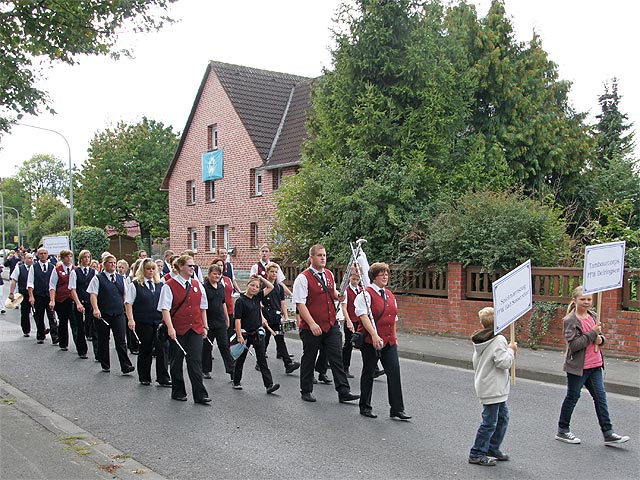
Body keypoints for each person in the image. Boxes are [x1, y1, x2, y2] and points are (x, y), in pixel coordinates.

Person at [555, 286, 630, 446]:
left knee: (601, 398)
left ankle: (608, 432)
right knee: (572, 397)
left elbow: (600, 336)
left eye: (589, 299)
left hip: (595, 365)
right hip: (578, 368)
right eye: (583, 299)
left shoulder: (593, 315)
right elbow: (574, 345)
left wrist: (601, 339)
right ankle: (563, 430)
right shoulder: (570, 320)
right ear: (575, 301)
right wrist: (593, 334)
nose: (587, 302)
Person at [293, 244, 359, 404]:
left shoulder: (329, 274)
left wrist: (339, 297)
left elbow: (333, 292)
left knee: (336, 357)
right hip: (311, 327)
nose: (323, 258)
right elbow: (300, 304)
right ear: (311, 258)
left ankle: (344, 391)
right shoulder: (302, 278)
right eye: (319, 255)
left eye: (324, 255)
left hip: (331, 324)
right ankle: (306, 390)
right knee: (309, 357)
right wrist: (312, 323)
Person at [354, 262, 410, 420]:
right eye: (381, 274)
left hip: (389, 341)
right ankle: (365, 406)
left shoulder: (390, 295)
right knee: (369, 372)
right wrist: (374, 335)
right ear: (374, 277)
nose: (385, 276)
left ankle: (397, 409)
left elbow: (393, 319)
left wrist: (394, 338)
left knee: (394, 373)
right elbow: (363, 316)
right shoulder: (365, 295)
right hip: (371, 341)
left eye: (386, 273)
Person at [158, 254, 211, 404]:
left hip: (195, 328)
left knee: (195, 361)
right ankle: (178, 391)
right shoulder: (169, 285)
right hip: (177, 328)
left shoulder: (197, 284)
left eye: (193, 266)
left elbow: (203, 308)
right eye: (189, 265)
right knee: (176, 361)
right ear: (181, 267)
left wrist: (204, 326)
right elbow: (165, 309)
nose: (192, 268)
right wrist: (170, 328)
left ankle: (200, 394)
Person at [468, 307, 516, 466]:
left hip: (490, 386)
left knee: (502, 417)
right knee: (490, 422)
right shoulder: (498, 340)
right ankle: (477, 452)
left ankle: (492, 447)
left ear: (482, 325)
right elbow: (504, 362)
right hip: (493, 388)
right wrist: (511, 350)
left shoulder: (481, 339)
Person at [125, 258, 171, 387]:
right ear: (142, 270)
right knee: (146, 348)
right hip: (143, 321)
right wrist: (130, 319)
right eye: (148, 269)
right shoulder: (135, 285)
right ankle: (144, 376)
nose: (150, 271)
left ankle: (163, 377)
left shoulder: (160, 285)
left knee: (162, 348)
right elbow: (128, 303)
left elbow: (165, 303)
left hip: (158, 321)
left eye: (153, 269)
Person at [231, 276, 280, 394]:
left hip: (257, 332)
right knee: (241, 358)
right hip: (245, 333)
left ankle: (269, 385)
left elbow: (271, 286)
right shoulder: (240, 301)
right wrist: (239, 336)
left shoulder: (257, 298)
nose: (254, 288)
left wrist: (261, 278)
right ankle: (236, 380)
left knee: (262, 358)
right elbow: (237, 319)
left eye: (257, 287)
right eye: (252, 285)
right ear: (247, 285)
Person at [88, 254, 135, 375]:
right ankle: (105, 363)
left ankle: (126, 365)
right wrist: (96, 309)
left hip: (118, 312)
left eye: (114, 263)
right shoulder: (98, 278)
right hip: (104, 313)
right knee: (104, 339)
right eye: (110, 263)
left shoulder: (121, 278)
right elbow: (93, 294)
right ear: (104, 264)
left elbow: (125, 295)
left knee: (121, 340)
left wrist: (127, 311)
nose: (113, 265)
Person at [259, 262, 300, 374]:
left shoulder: (279, 287)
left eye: (276, 272)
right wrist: (262, 317)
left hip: (276, 316)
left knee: (280, 339)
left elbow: (282, 303)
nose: (274, 274)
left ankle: (288, 364)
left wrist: (286, 317)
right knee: (265, 340)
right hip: (267, 316)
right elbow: (259, 303)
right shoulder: (263, 287)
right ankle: (260, 362)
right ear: (267, 273)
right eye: (271, 272)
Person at [48, 249, 86, 357]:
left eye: (70, 256)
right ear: (62, 258)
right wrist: (52, 300)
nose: (68, 259)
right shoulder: (57, 270)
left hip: (73, 299)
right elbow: (52, 286)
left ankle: (80, 347)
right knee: (63, 321)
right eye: (66, 257)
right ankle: (63, 343)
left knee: (75, 323)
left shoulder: (76, 270)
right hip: (61, 299)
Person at [201, 264, 235, 379]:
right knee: (207, 347)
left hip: (220, 321)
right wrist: (203, 324)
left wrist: (226, 318)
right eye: (214, 273)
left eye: (219, 274)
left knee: (224, 346)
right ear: (209, 274)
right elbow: (202, 307)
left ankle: (231, 370)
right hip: (209, 322)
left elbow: (223, 303)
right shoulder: (204, 287)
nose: (216, 276)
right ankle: (205, 369)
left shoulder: (221, 287)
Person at [70, 250, 98, 360]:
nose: (87, 259)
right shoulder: (75, 272)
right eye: (85, 257)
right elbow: (73, 289)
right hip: (80, 301)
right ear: (81, 259)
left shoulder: (93, 272)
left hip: (90, 302)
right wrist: (77, 303)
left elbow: (95, 289)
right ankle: (82, 350)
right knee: (80, 327)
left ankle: (98, 353)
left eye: (88, 257)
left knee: (94, 327)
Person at [27, 247, 58, 344]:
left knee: (52, 316)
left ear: (47, 254)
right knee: (39, 316)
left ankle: (55, 336)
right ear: (37, 255)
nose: (43, 255)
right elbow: (30, 283)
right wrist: (31, 296)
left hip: (49, 296)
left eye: (45, 253)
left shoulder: (53, 267)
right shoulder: (33, 267)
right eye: (41, 253)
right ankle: (40, 335)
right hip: (39, 296)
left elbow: (54, 283)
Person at [8, 252, 34, 336]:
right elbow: (14, 281)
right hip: (24, 293)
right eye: (29, 258)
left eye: (32, 258)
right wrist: (11, 293)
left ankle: (42, 330)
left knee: (38, 312)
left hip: (35, 293)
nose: (31, 260)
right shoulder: (19, 268)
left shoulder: (35, 268)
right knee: (25, 312)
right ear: (24, 259)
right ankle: (26, 330)